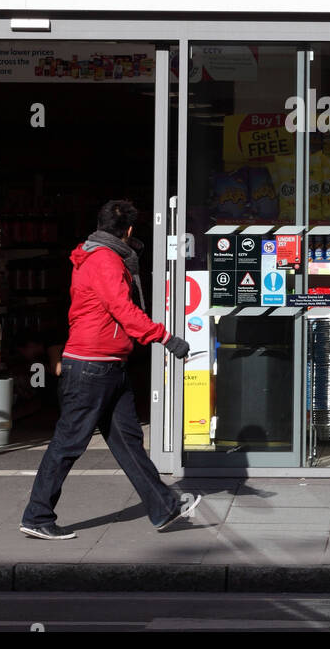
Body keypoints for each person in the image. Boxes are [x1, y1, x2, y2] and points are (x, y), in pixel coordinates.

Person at [20, 199, 199, 539]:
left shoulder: (98, 255)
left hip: (107, 364)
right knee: (68, 443)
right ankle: (37, 516)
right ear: (128, 231)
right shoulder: (105, 260)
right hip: (91, 365)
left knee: (128, 442)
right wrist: (165, 338)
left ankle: (163, 508)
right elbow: (122, 308)